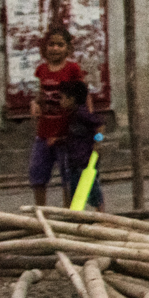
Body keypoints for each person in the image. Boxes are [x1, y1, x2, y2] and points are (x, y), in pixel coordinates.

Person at [28, 26, 84, 208]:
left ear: (68, 48)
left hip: (65, 134)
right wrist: (35, 103)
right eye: (51, 44)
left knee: (67, 177)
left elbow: (81, 96)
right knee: (37, 173)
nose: (55, 48)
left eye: (60, 45)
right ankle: (41, 211)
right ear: (45, 48)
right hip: (44, 132)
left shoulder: (72, 69)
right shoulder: (42, 70)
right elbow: (40, 93)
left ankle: (68, 214)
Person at [58, 78, 105, 210]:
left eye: (62, 98)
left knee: (93, 189)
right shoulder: (72, 115)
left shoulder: (82, 113)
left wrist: (98, 142)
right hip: (75, 161)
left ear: (71, 99)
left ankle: (102, 216)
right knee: (77, 193)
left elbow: (100, 125)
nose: (60, 102)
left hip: (85, 160)